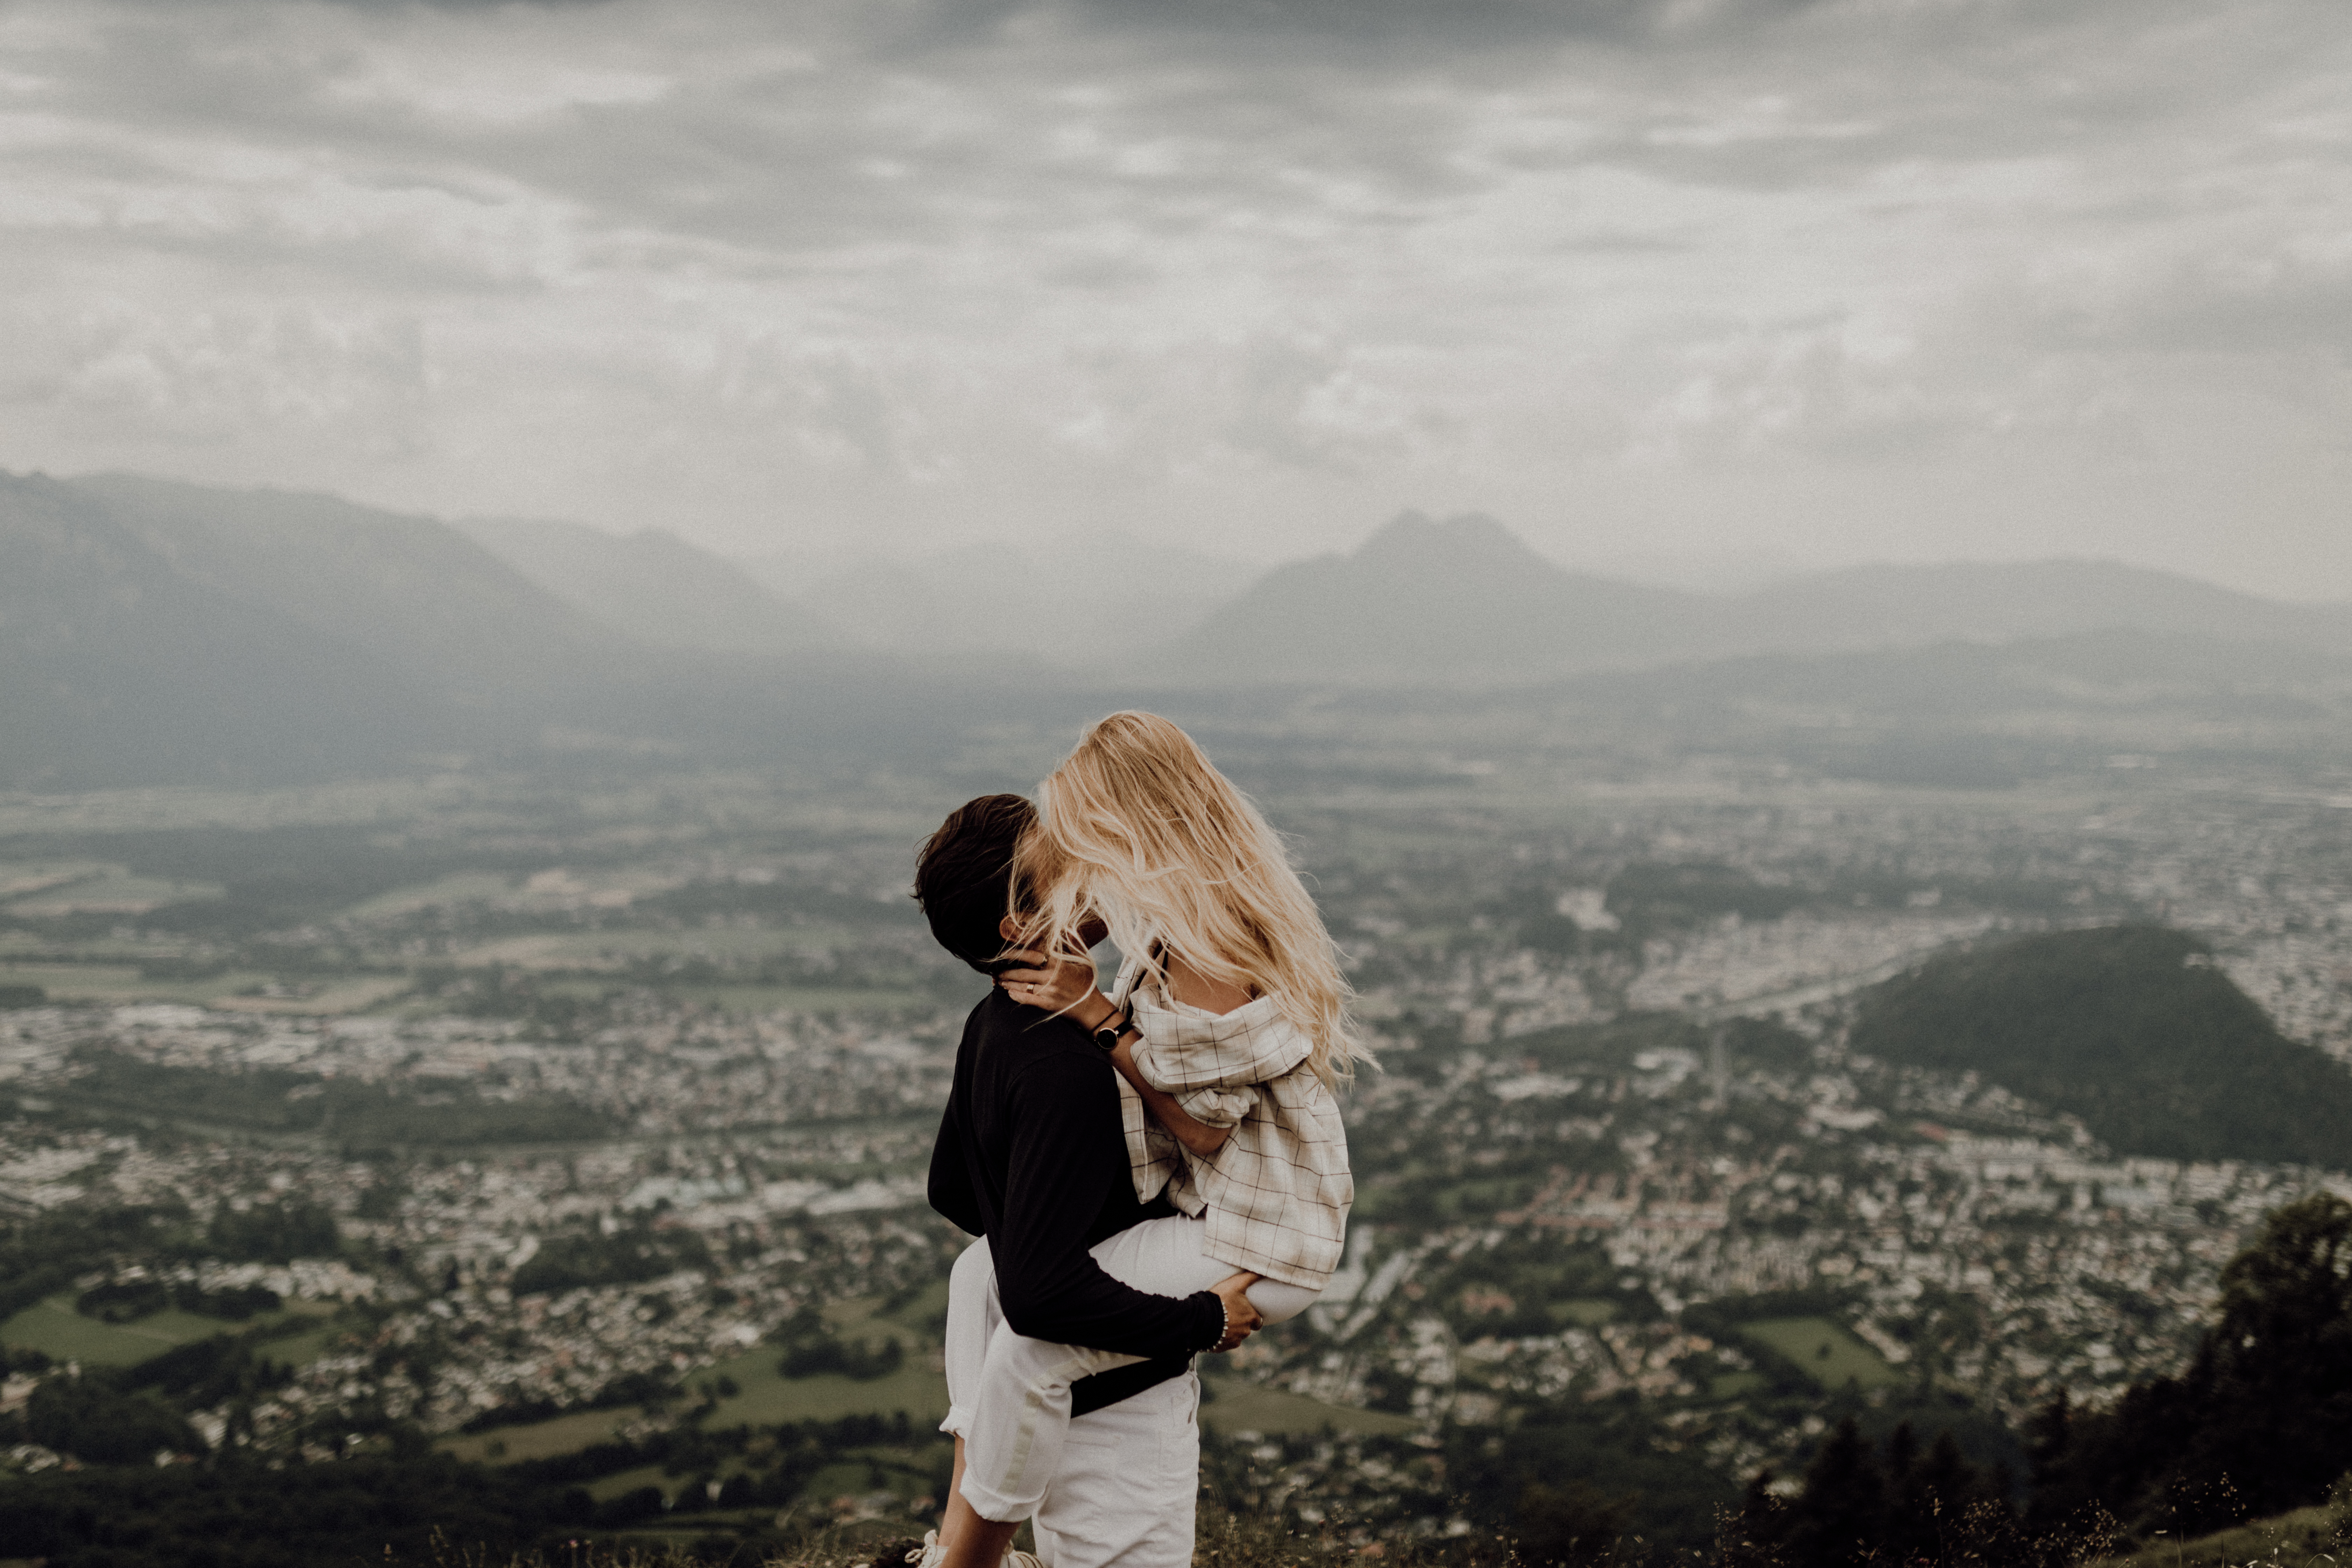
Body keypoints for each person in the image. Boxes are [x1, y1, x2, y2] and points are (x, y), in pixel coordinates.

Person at [956, 711, 1364, 1556]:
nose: (1073, 867)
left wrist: (1094, 1012)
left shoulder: (1208, 945)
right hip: (1223, 1211)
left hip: (1253, 1232)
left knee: (1029, 1348)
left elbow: (1205, 1132)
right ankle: (965, 1515)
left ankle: (966, 1557)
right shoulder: (1196, 914)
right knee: (978, 1273)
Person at [913, 792, 1264, 1568]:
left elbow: (954, 1187)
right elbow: (1042, 1293)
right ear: (1020, 925)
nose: (1092, 861)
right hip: (1122, 1410)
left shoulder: (994, 1025)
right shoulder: (1066, 1067)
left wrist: (1049, 1220)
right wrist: (1197, 1317)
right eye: (1064, 859)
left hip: (1053, 1400)